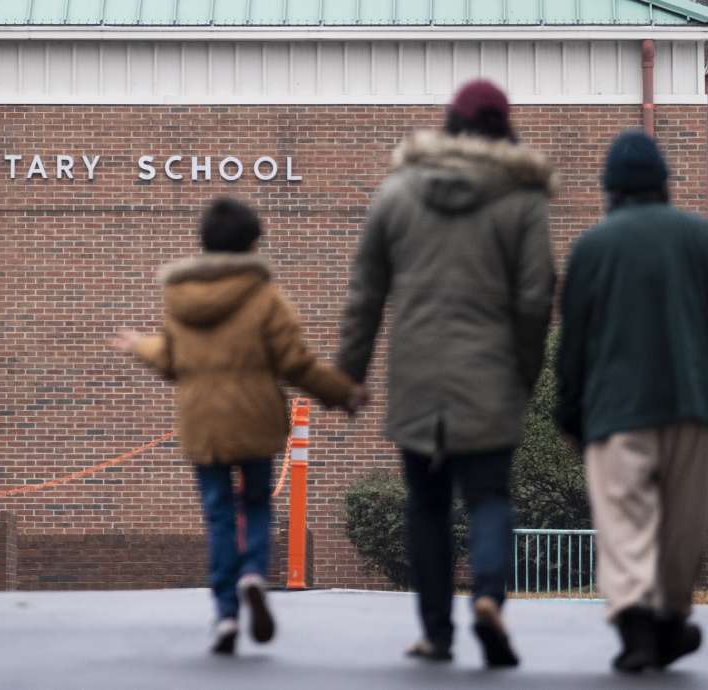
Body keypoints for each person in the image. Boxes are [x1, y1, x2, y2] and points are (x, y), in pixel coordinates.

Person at [336, 79, 556, 668]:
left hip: (419, 379)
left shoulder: (399, 192)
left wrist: (349, 375)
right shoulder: (522, 199)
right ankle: (488, 595)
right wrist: (526, 371)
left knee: (426, 505)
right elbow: (537, 298)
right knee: (488, 496)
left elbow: (365, 293)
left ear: (449, 126)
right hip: (491, 376)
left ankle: (436, 632)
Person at [112, 197, 364, 655]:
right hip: (255, 418)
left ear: (203, 242)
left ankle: (226, 613)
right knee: (256, 504)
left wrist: (139, 345)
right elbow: (295, 362)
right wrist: (341, 392)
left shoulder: (180, 297)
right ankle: (253, 573)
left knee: (218, 513)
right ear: (253, 243)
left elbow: (172, 359)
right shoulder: (264, 296)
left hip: (202, 422)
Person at [555, 130, 708, 673]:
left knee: (624, 520)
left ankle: (637, 625)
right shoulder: (696, 235)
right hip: (692, 405)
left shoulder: (593, 247)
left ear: (610, 189)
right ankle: (670, 619)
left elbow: (572, 343)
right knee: (681, 524)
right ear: (664, 183)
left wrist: (569, 412)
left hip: (617, 412)